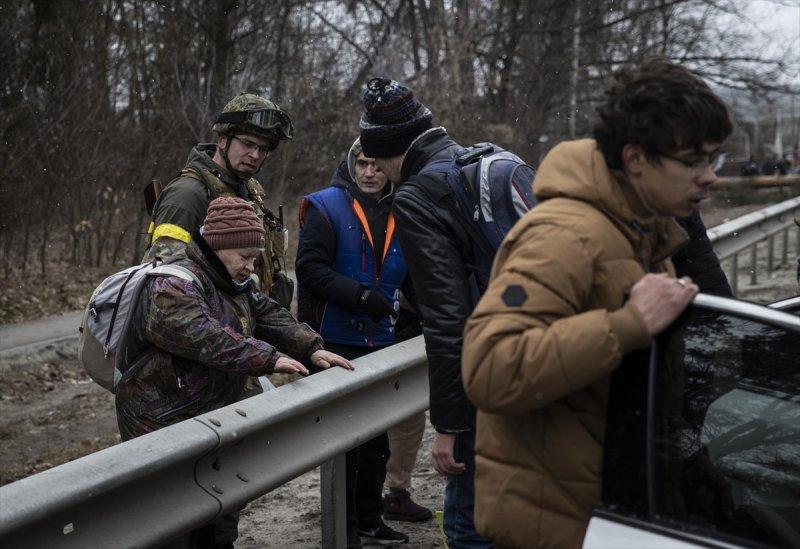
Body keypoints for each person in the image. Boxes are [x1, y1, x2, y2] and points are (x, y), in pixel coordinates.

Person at [461, 58, 733, 548]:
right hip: (557, 526)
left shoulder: (643, 231)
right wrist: (627, 324)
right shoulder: (564, 234)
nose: (710, 177)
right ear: (635, 159)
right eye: (694, 160)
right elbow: (490, 369)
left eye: (715, 159)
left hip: (613, 517)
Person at [116, 196, 354, 548]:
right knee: (176, 524)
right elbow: (204, 337)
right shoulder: (172, 285)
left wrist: (310, 347)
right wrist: (268, 358)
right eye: (244, 257)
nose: (250, 266)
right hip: (163, 421)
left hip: (211, 416)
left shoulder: (232, 279)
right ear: (216, 248)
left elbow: (269, 314)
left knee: (221, 514)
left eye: (254, 257)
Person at [358, 77, 494, 548]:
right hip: (539, 361)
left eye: (375, 160)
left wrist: (451, 427)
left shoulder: (417, 195)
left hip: (487, 378)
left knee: (468, 524)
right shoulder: (485, 161)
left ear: (388, 151)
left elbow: (447, 320)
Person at [296, 137, 429, 547]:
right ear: (351, 166)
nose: (369, 173)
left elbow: (410, 275)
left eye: (375, 165)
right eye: (362, 164)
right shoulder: (326, 206)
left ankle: (371, 522)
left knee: (376, 442)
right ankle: (345, 527)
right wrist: (359, 296)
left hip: (382, 340)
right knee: (346, 446)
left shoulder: (403, 210)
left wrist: (434, 309)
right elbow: (310, 269)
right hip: (334, 340)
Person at [145, 93, 295, 309]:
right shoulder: (187, 194)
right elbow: (165, 286)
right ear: (223, 140)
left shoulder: (249, 190)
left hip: (243, 323)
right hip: (207, 329)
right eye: (248, 144)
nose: (255, 154)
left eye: (263, 149)